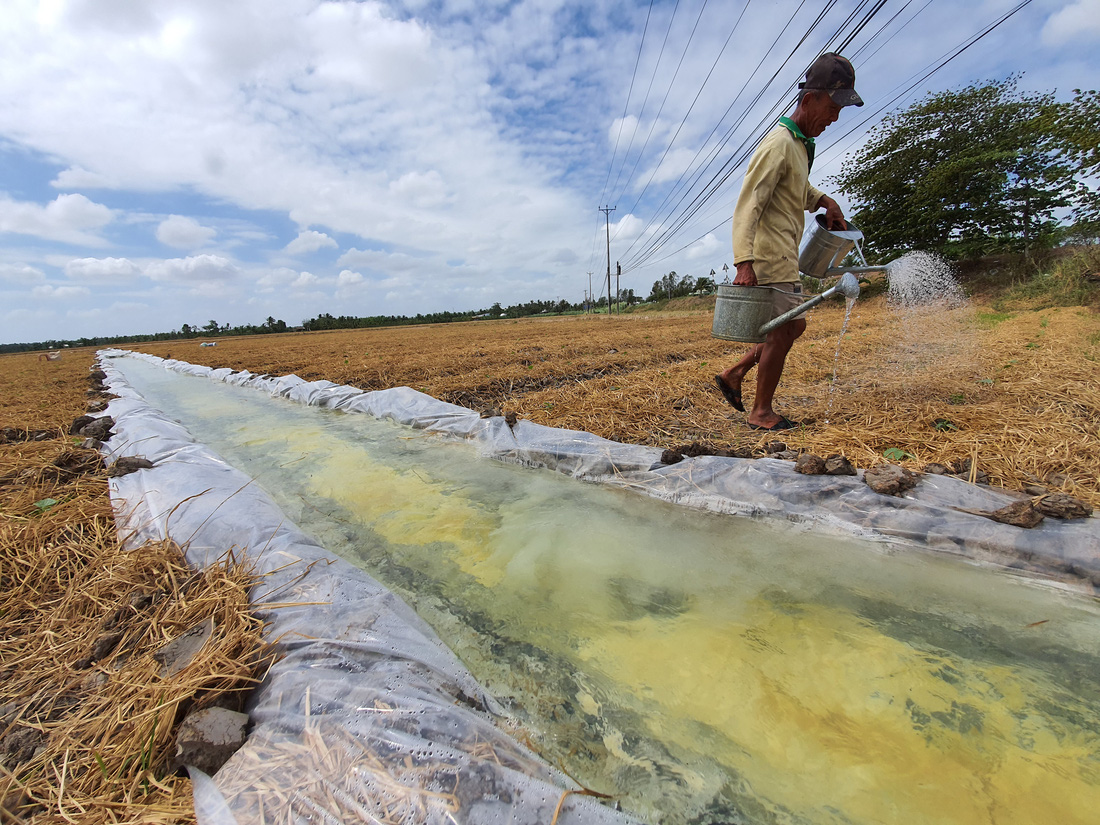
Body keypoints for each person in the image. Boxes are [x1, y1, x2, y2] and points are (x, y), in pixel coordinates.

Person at [714, 53, 863, 430]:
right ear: (809, 99)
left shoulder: (799, 146)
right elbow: (748, 205)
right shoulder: (778, 144)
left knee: (793, 327)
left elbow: (796, 188)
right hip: (767, 258)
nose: (834, 118)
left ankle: (735, 373)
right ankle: (761, 412)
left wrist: (824, 200)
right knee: (782, 331)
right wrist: (743, 263)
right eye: (831, 108)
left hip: (784, 256)